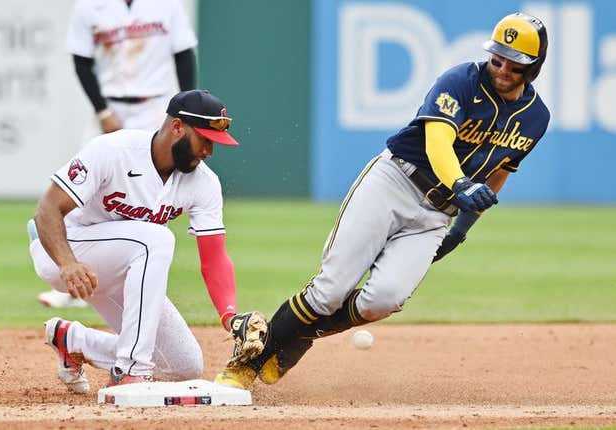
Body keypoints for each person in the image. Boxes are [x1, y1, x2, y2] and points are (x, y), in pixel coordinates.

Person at [214, 12, 550, 389]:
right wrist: (458, 181)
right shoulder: (460, 80)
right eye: (497, 57)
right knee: (330, 291)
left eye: (514, 62)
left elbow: (498, 173)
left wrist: (461, 228)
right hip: (394, 182)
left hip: (437, 214)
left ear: (534, 66)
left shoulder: (536, 118)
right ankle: (246, 365)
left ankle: (299, 336)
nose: (502, 67)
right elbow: (437, 140)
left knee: (383, 300)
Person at [29, 90, 240, 393]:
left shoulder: (204, 183)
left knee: (184, 365)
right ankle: (131, 370)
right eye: (205, 139)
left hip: (121, 266)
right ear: (178, 127)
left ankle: (72, 340)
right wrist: (67, 263)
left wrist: (230, 316)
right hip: (64, 249)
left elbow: (214, 258)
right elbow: (47, 209)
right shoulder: (114, 150)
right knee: (155, 239)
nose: (209, 151)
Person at [38, 0, 198, 309]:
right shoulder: (89, 6)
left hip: (156, 107)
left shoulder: (167, 5)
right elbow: (82, 61)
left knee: (150, 195)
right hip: (109, 105)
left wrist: (186, 109)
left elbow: (183, 55)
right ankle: (70, 280)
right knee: (77, 192)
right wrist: (102, 110)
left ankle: (140, 276)